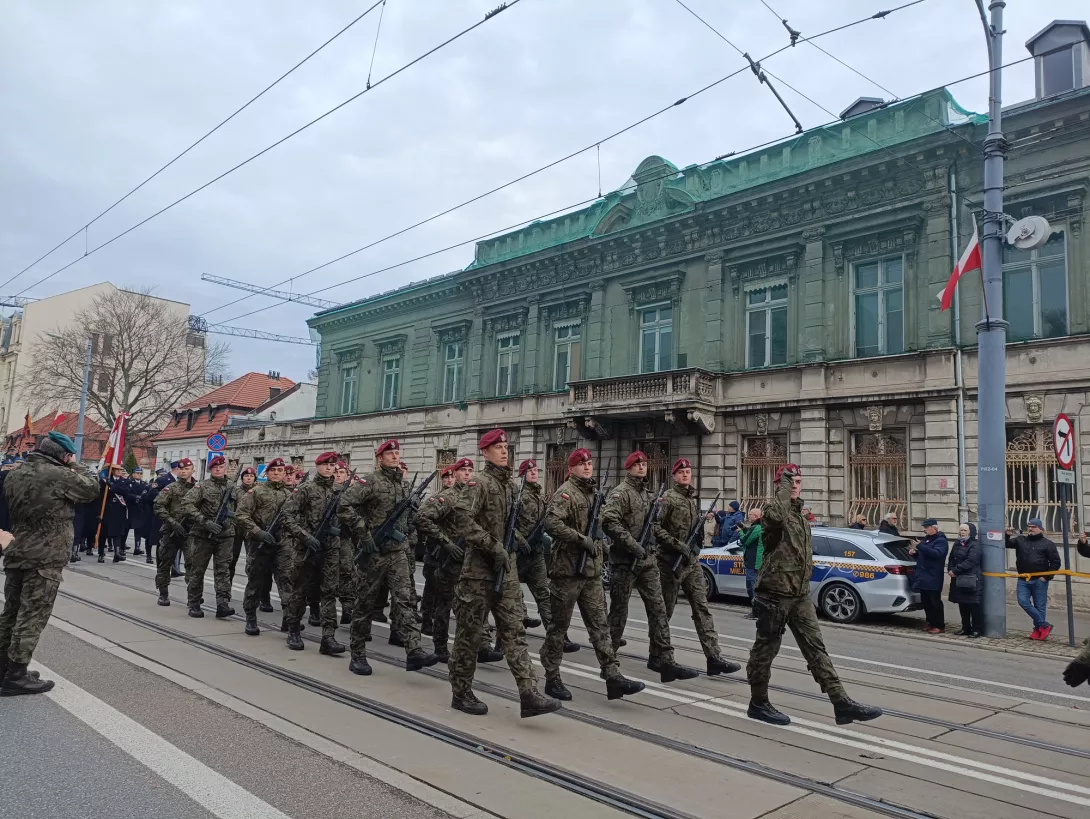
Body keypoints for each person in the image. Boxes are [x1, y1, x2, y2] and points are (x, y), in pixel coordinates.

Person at [746, 464, 882, 727]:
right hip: (775, 595)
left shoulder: (799, 517)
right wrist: (784, 487)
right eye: (789, 482)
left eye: (798, 481)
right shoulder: (774, 512)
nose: (795, 485)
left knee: (816, 648)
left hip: (799, 594)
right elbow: (774, 517)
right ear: (780, 486)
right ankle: (758, 703)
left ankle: (841, 703)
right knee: (765, 649)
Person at [445, 429, 559, 717]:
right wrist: (492, 546)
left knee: (514, 632)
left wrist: (514, 545)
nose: (504, 450)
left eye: (506, 446)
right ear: (485, 452)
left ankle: (529, 693)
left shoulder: (510, 487)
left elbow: (511, 526)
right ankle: (461, 692)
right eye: (497, 447)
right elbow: (461, 519)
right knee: (469, 637)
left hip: (505, 572)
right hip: (478, 574)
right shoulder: (478, 483)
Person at [540, 447, 644, 703]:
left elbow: (601, 527)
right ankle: (552, 678)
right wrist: (581, 539)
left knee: (600, 627)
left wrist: (601, 545)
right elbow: (551, 524)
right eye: (582, 463)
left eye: (589, 463)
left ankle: (612, 676)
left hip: (591, 573)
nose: (587, 467)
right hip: (567, 572)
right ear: (572, 467)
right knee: (558, 628)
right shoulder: (566, 493)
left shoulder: (595, 494)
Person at [0, 431, 99, 695]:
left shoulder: (15, 473)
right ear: (63, 455)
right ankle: (17, 674)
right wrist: (77, 464)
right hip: (45, 555)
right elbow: (91, 488)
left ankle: (3, 668)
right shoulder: (59, 474)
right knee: (32, 615)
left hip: (17, 550)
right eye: (69, 455)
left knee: (11, 612)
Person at [338, 440, 435, 674]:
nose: (395, 456)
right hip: (374, 554)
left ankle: (414, 650)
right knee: (365, 604)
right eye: (390, 453)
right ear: (379, 458)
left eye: (397, 453)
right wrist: (363, 533)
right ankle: (358, 654)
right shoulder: (370, 481)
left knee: (405, 601)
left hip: (398, 552)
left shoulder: (401, 484)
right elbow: (344, 505)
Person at [601, 450, 696, 683]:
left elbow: (653, 525)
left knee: (659, 609)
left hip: (648, 561)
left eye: (644, 464)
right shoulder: (620, 493)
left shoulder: (648, 494)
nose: (642, 467)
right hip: (624, 562)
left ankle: (664, 659)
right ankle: (609, 663)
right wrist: (633, 545)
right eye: (637, 464)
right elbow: (608, 521)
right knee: (619, 613)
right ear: (629, 468)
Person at [653, 458, 741, 677]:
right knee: (665, 611)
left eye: (688, 471)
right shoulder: (668, 499)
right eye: (681, 471)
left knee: (702, 608)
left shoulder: (692, 499)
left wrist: (696, 543)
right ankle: (658, 655)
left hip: (691, 561)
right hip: (670, 562)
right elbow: (654, 527)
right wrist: (676, 545)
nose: (685, 474)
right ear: (674, 475)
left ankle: (714, 657)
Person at [414, 456, 499, 665]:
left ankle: (482, 646)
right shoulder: (448, 498)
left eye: (470, 471)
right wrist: (445, 543)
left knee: (476, 605)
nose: (467, 474)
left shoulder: (475, 496)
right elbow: (421, 518)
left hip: (472, 561)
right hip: (450, 561)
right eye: (463, 471)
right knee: (445, 604)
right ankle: (440, 647)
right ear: (455, 473)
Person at [282, 452, 347, 657]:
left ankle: (328, 637)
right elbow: (287, 516)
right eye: (325, 465)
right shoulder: (306, 489)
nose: (329, 468)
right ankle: (293, 630)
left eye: (332, 465)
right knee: (300, 591)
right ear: (317, 466)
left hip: (330, 549)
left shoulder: (339, 492)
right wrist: (304, 536)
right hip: (307, 548)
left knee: (329, 592)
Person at [236, 458, 292, 636]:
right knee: (255, 581)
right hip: (259, 544)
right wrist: (257, 532)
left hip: (282, 544)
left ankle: (289, 620)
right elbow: (241, 514)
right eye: (273, 470)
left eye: (280, 470)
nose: (277, 473)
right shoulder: (256, 492)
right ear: (267, 473)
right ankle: (251, 618)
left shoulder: (290, 495)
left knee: (286, 581)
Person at [180, 455, 238, 618]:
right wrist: (204, 521)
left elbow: (240, 508)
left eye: (221, 467)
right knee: (198, 570)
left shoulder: (232, 486)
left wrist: (231, 519)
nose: (219, 469)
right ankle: (194, 602)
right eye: (215, 467)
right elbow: (186, 504)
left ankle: (223, 604)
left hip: (226, 536)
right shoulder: (202, 486)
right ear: (211, 469)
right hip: (203, 535)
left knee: (223, 570)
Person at [1005, 519, 1062, 640]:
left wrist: (1046, 577)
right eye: (1029, 526)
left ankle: (1038, 630)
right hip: (1023, 579)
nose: (1030, 529)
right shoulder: (1021, 540)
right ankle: (1044, 625)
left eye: (1034, 527)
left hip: (1039, 580)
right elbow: (1006, 544)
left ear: (1040, 529)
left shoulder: (1047, 544)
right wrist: (1007, 535)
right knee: (1023, 601)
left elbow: (1056, 562)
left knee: (1039, 606)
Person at [420, 464, 457, 636]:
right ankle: (426, 620)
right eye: (446, 477)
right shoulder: (437, 499)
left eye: (451, 477)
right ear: (442, 480)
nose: (449, 479)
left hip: (449, 553)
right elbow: (424, 521)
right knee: (431, 588)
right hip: (435, 549)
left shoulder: (459, 497)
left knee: (448, 591)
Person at [152, 458, 196, 605]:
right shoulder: (171, 488)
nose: (183, 471)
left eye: (186, 469)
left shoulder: (198, 489)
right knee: (165, 562)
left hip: (190, 532)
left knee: (192, 563)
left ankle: (193, 595)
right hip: (171, 531)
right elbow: (158, 506)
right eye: (181, 469)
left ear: (192, 470)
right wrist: (172, 522)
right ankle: (163, 593)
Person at [909, 518, 948, 634]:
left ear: (934, 528)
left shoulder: (941, 540)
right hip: (923, 575)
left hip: (933, 576)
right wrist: (915, 553)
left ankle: (939, 625)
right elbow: (923, 554)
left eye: (926, 527)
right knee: (926, 601)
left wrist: (920, 547)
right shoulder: (926, 539)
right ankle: (930, 622)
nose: (924, 530)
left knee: (934, 602)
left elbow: (937, 554)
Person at [947, 523, 982, 637]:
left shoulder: (975, 544)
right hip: (959, 578)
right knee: (962, 605)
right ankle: (965, 627)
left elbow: (971, 560)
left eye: (965, 530)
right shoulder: (957, 543)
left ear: (970, 532)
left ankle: (976, 629)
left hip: (971, 578)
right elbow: (951, 558)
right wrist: (950, 569)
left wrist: (956, 570)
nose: (962, 532)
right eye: (961, 530)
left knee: (973, 606)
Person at [334, 462, 355, 625]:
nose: (338, 475)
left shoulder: (352, 493)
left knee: (347, 573)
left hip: (345, 539)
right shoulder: (327, 491)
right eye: (336, 472)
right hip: (327, 539)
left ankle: (347, 608)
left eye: (342, 472)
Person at [229, 466, 257, 586]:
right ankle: (227, 586)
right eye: (246, 476)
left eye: (251, 476)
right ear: (242, 478)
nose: (249, 478)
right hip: (237, 529)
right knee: (231, 560)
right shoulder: (236, 491)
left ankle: (252, 588)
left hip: (251, 529)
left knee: (252, 560)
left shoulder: (258, 491)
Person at [738, 507, 764, 616]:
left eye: (751, 514)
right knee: (753, 586)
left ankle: (756, 611)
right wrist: (744, 529)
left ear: (757, 516)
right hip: (755, 561)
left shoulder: (757, 527)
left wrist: (740, 532)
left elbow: (746, 541)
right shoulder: (757, 527)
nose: (749, 516)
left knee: (751, 586)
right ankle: (756, 610)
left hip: (753, 561)